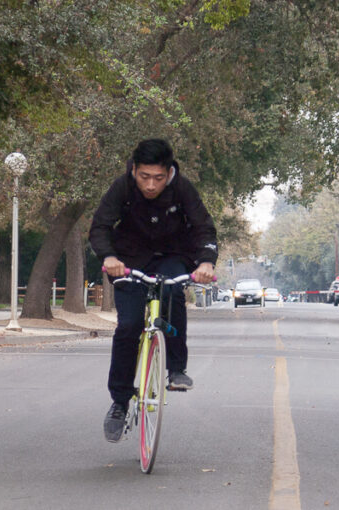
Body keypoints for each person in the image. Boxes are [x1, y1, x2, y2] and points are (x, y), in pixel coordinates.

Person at [89, 138, 218, 442]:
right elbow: (100, 227)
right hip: (129, 261)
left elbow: (204, 228)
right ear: (134, 170)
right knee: (129, 326)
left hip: (173, 257)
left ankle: (176, 369)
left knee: (173, 293)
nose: (150, 185)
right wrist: (108, 257)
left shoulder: (183, 189)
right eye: (144, 177)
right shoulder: (122, 187)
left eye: (158, 178)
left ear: (169, 172)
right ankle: (119, 402)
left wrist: (206, 263)